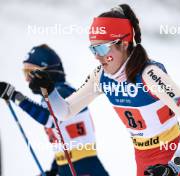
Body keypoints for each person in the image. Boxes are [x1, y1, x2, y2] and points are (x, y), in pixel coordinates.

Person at [28, 4, 180, 176]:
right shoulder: (101, 77)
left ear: (124, 44)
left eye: (102, 48)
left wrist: (174, 166)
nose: (97, 56)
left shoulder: (150, 75)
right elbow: (65, 112)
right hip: (143, 161)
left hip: (171, 162)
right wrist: (50, 91)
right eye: (93, 49)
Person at [0, 44, 109, 176]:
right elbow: (65, 142)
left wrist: (15, 96)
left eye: (31, 72)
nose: (27, 79)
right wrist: (55, 169)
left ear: (47, 71)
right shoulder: (53, 96)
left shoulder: (63, 93)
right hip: (71, 167)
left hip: (84, 168)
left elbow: (50, 119)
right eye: (25, 72)